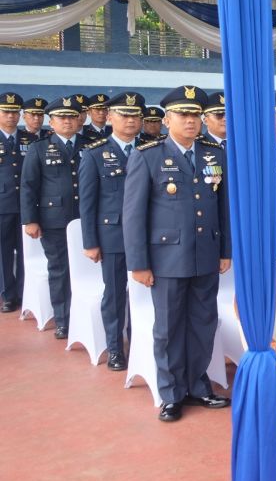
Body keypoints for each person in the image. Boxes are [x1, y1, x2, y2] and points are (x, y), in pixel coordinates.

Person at [123, 85, 231, 422]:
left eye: (195, 115)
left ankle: (198, 386)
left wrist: (225, 250)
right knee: (169, 328)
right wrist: (139, 263)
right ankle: (171, 394)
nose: (190, 121)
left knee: (203, 323)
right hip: (167, 258)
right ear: (167, 119)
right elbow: (133, 215)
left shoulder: (214, 154)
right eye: (183, 115)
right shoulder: (148, 155)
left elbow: (223, 207)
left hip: (205, 254)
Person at [79, 91, 145, 370]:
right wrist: (90, 242)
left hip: (150, 235)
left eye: (135, 115)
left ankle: (141, 342)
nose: (130, 120)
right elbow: (87, 202)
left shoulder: (152, 149)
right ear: (109, 117)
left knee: (146, 293)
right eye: (124, 114)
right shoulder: (95, 154)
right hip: (113, 235)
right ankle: (116, 348)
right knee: (115, 294)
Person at [20, 96, 85, 338]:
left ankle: (85, 316)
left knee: (88, 270)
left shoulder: (91, 145)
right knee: (60, 270)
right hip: (54, 219)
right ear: (52, 121)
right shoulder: (39, 148)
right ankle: (63, 320)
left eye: (72, 116)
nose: (67, 121)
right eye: (61, 117)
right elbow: (28, 186)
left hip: (87, 219)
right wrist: (30, 220)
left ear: (79, 119)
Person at [1, 92, 37, 313]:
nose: (11, 116)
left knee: (27, 251)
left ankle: (25, 292)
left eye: (15, 112)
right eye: (6, 112)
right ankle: (7, 294)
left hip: (26, 205)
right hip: (3, 205)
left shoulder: (30, 140)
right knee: (3, 252)